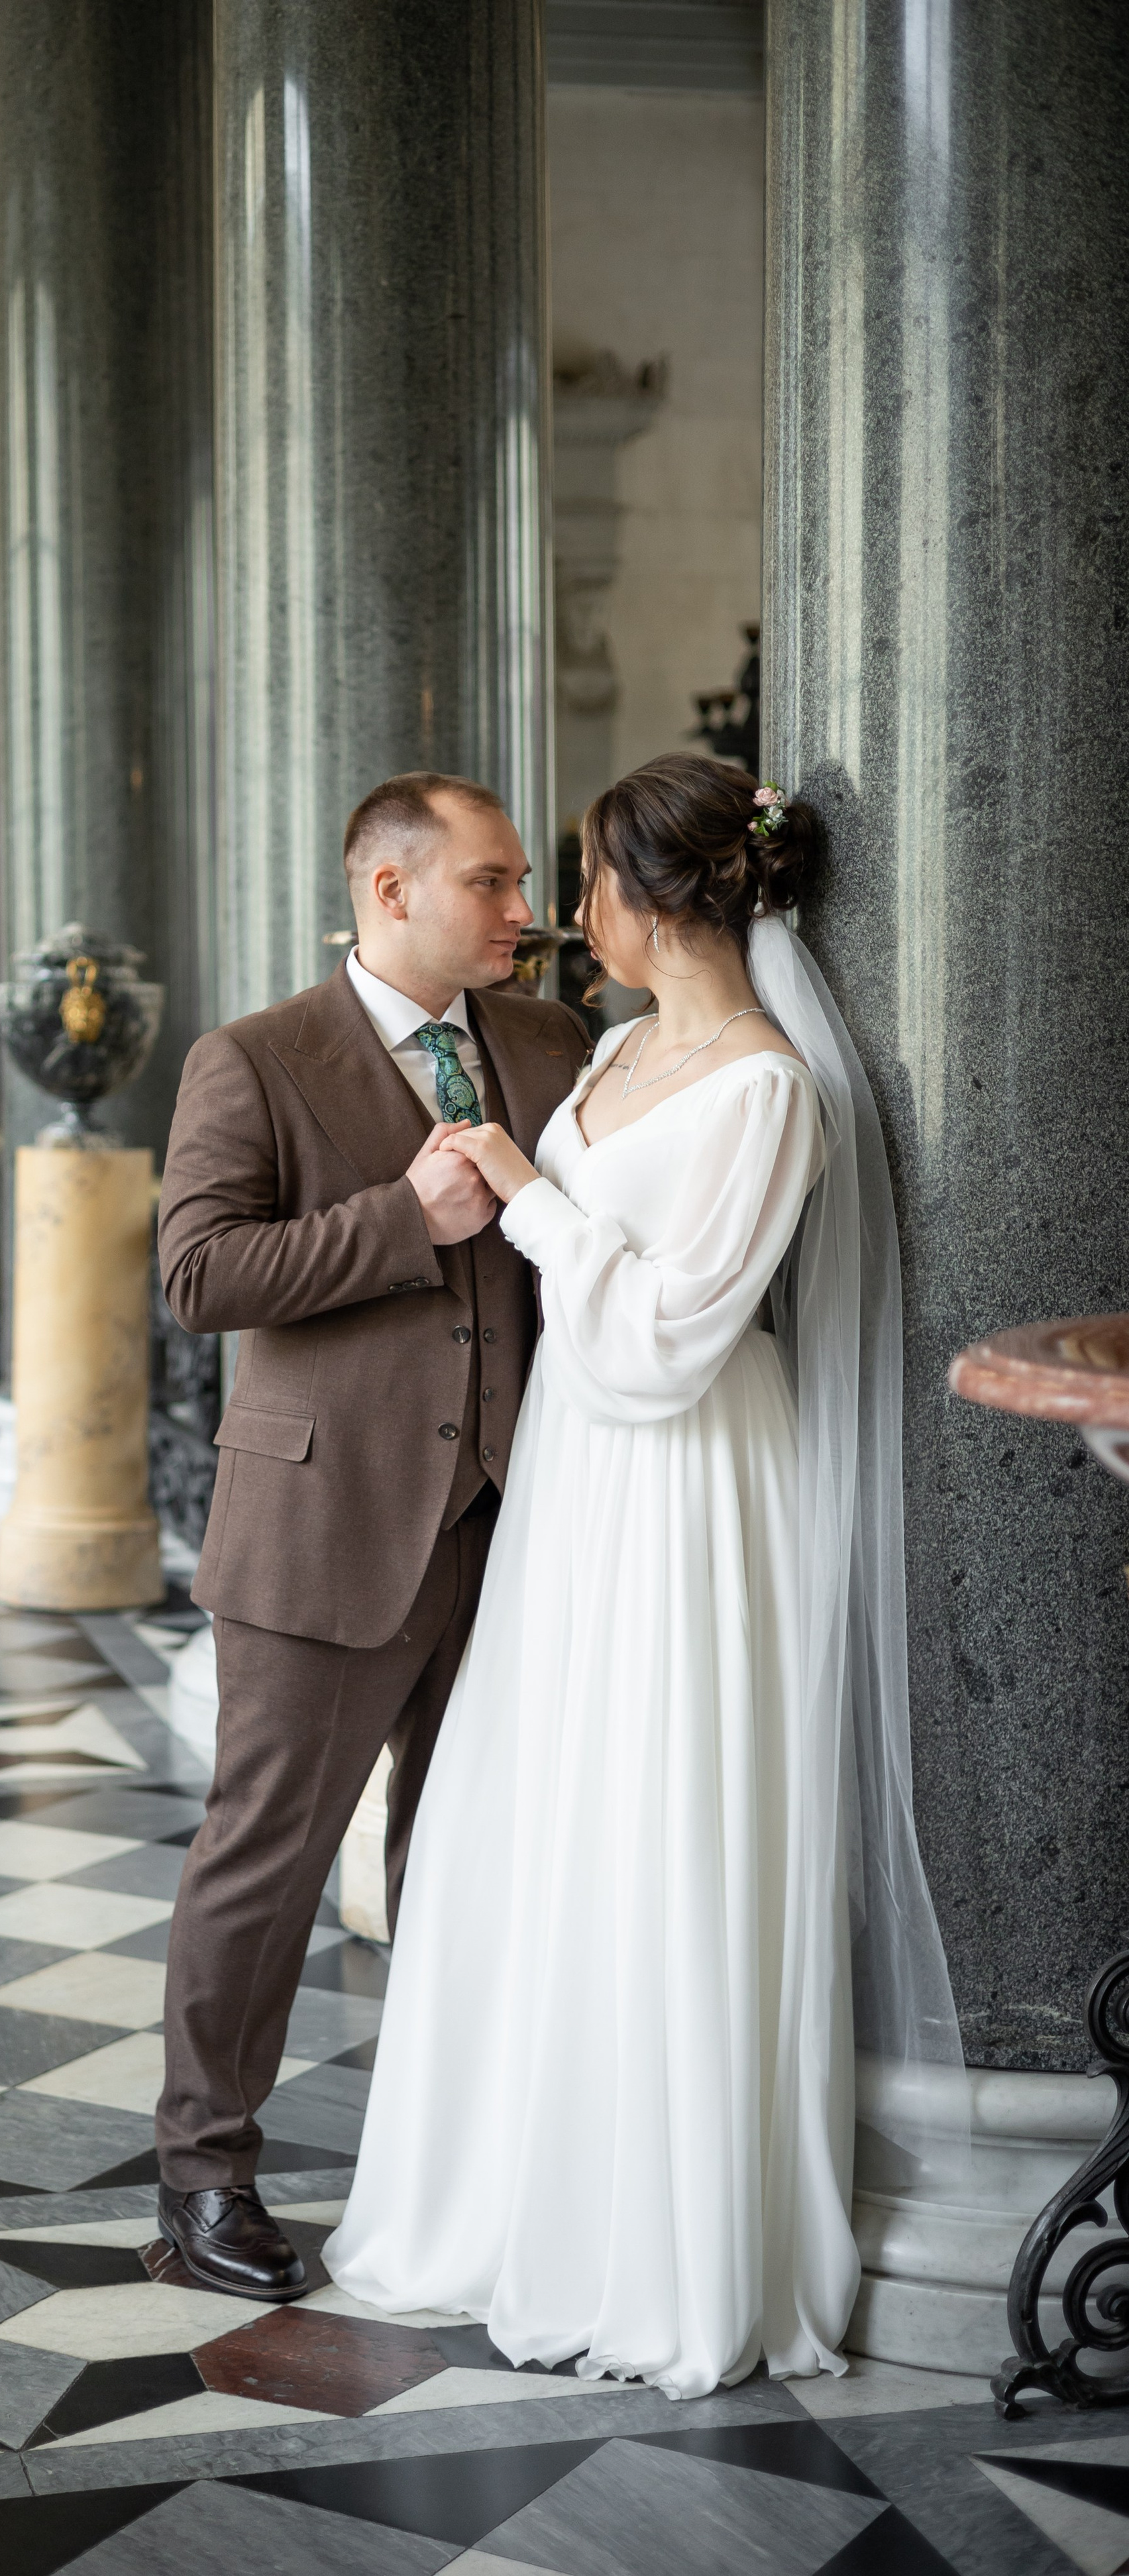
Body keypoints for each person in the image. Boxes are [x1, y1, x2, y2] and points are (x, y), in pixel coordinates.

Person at [325, 751, 962, 2398]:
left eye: (583, 879)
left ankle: (662, 2245)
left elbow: (671, 1338)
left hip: (686, 1485)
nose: (557, 912)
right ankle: (521, 2198)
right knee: (549, 1813)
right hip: (573, 1485)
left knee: (664, 1817)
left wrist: (527, 1195)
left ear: (654, 894)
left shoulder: (767, 1092)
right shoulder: (607, 1052)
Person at [152, 771, 591, 2299]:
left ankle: (450, 2168)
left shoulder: (550, 1043)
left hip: (511, 1526)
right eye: (492, 883)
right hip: (320, 1530)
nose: (522, 914)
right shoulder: (255, 1059)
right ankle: (203, 2177)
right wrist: (402, 1217)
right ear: (389, 891)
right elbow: (200, 1276)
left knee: (466, 1858)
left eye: (523, 882)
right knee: (262, 1858)